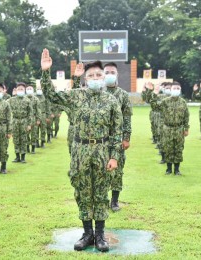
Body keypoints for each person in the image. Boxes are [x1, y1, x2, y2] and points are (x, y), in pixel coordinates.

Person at [41, 48, 122, 252]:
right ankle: (87, 233)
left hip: (103, 149)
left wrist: (114, 156)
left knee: (101, 192)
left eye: (98, 75)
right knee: (83, 191)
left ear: (104, 78)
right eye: (91, 75)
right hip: (80, 150)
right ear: (85, 79)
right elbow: (50, 95)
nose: (95, 78)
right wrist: (45, 72)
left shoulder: (111, 101)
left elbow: (116, 132)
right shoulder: (75, 97)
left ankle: (101, 235)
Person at [104, 62, 133, 211]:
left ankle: (114, 201)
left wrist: (126, 137)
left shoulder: (123, 95)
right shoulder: (98, 93)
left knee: (118, 170)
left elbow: (127, 117)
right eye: (107, 72)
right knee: (100, 169)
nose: (109, 74)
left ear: (117, 74)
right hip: (100, 138)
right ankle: (102, 199)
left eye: (112, 72)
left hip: (117, 138)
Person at [146, 81, 189, 175]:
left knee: (178, 148)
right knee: (168, 148)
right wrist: (154, 94)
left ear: (180, 90)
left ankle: (177, 169)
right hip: (167, 128)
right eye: (174, 88)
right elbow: (154, 106)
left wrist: (186, 128)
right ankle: (169, 169)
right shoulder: (165, 101)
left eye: (178, 89)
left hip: (179, 128)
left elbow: (186, 116)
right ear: (171, 90)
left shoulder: (183, 102)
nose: (176, 90)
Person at [8, 82, 33, 163]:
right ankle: (17, 156)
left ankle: (23, 157)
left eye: (22, 89)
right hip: (15, 121)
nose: (20, 90)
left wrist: (29, 124)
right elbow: (4, 104)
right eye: (19, 89)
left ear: (24, 90)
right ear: (16, 90)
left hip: (24, 121)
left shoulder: (27, 100)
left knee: (23, 139)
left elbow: (30, 113)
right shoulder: (11, 100)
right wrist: (13, 94)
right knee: (16, 139)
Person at [25, 85, 41, 154]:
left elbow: (38, 110)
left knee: (34, 134)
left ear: (33, 90)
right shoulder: (24, 99)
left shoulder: (36, 99)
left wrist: (38, 119)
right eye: (28, 89)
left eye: (30, 89)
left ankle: (33, 148)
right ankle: (27, 147)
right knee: (26, 134)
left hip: (34, 118)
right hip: (26, 119)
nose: (29, 90)